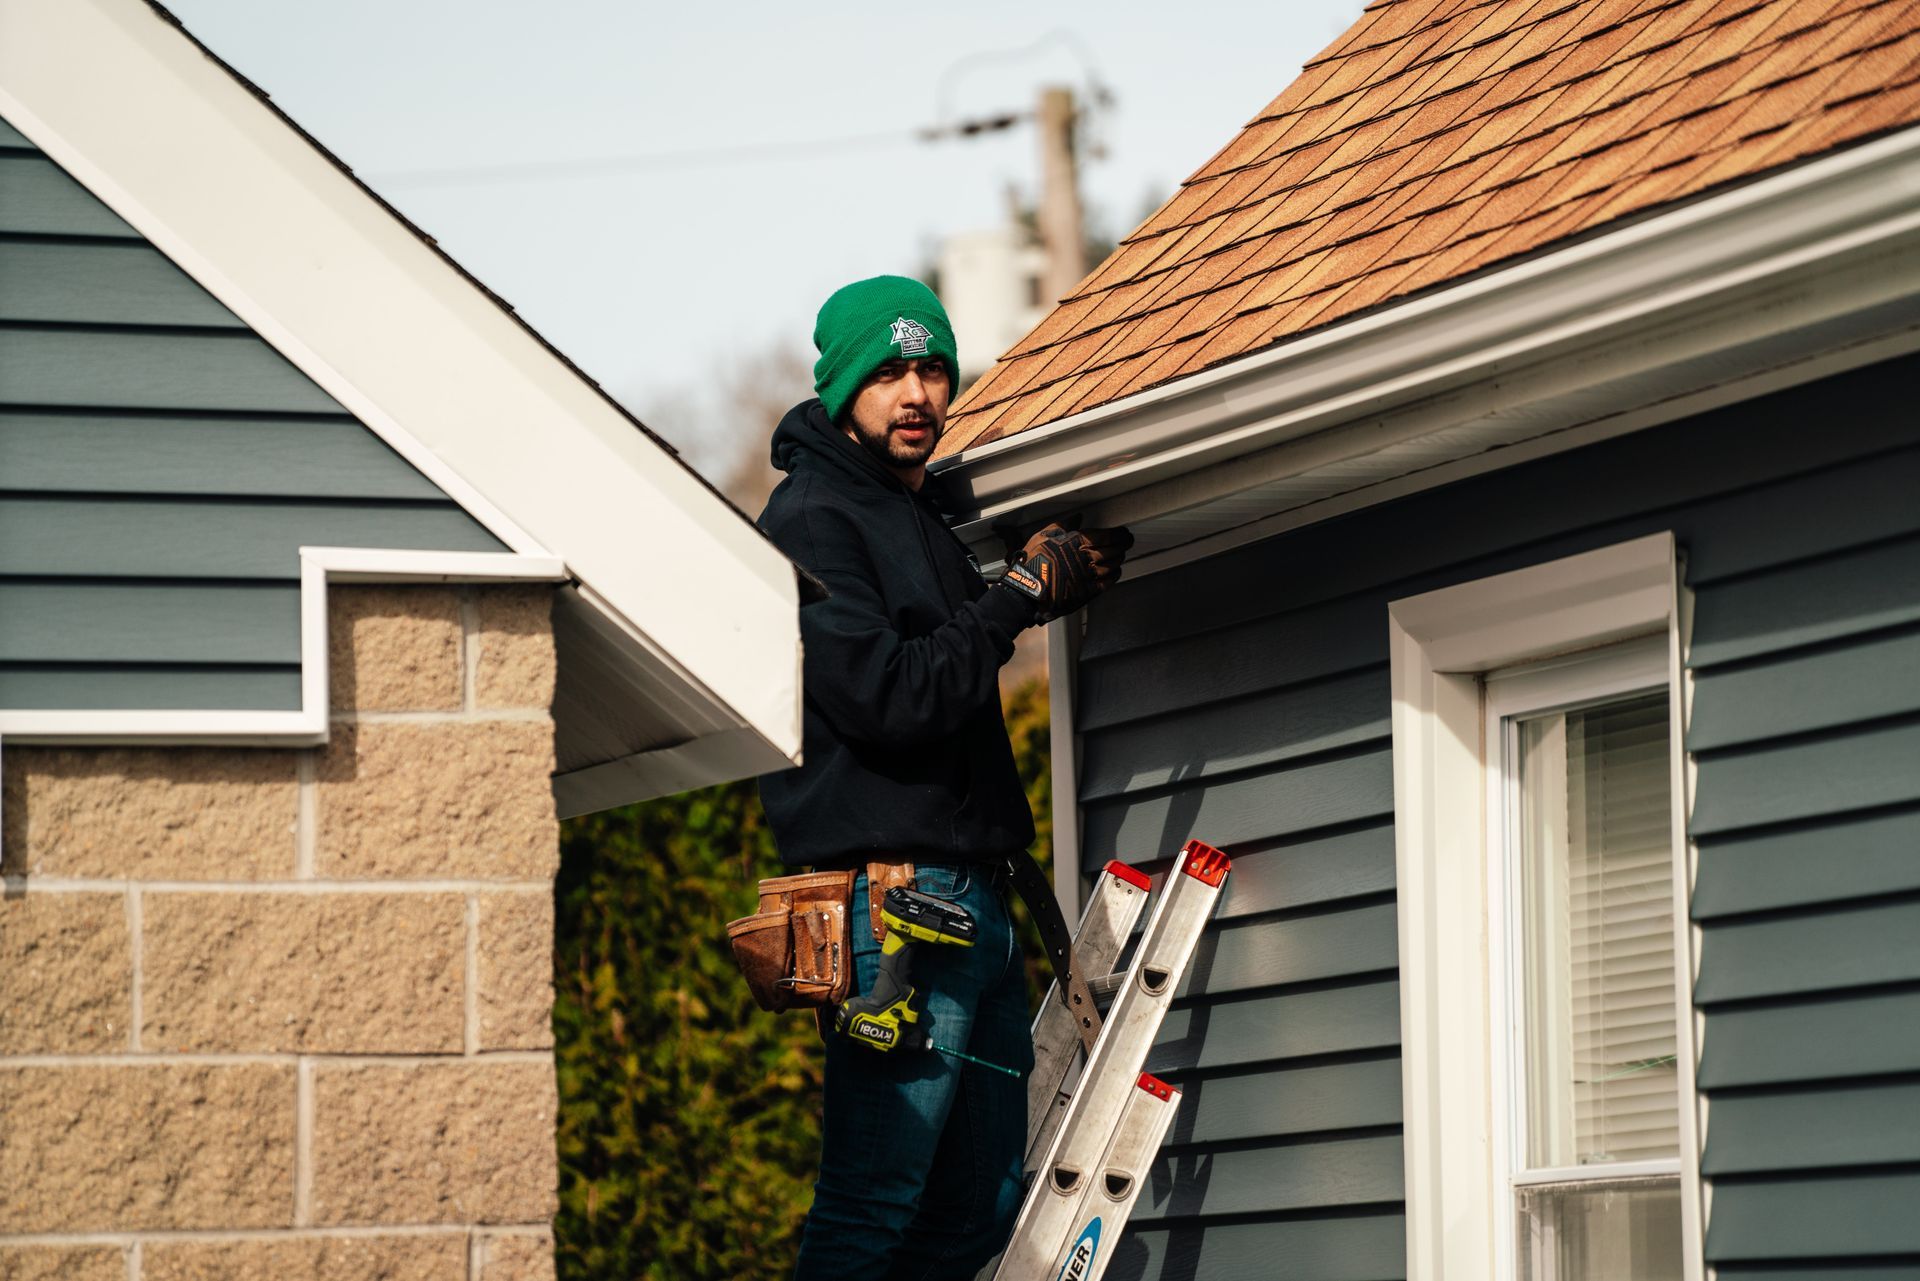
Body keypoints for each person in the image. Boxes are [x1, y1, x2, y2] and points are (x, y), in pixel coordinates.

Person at [756, 275, 1132, 1280]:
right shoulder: (813, 519)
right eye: (888, 373)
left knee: (974, 1211)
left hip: (974, 896)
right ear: (841, 390)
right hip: (897, 907)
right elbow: (889, 696)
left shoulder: (917, 516)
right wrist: (1016, 595)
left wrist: (1030, 584)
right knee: (872, 1202)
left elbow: (957, 656)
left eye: (931, 369)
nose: (916, 392)